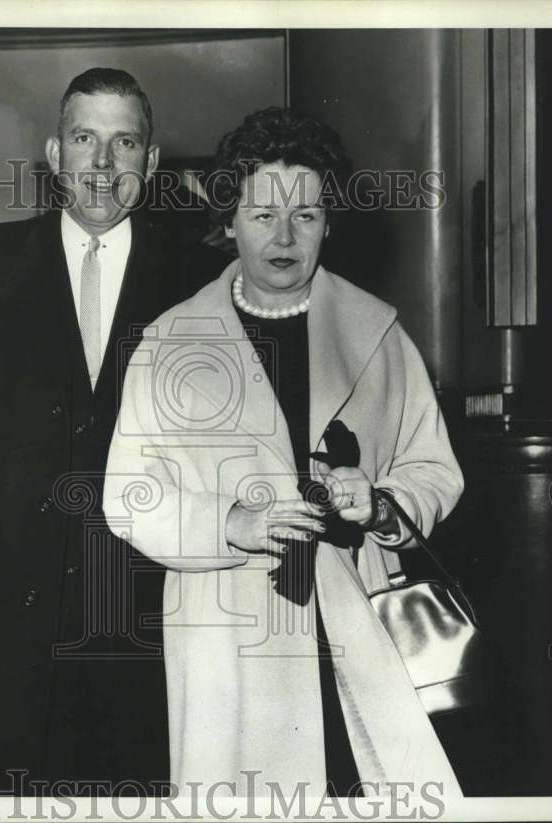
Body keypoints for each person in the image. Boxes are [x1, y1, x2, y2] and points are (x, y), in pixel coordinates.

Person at [103, 107, 465, 798]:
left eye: (306, 214)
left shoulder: (380, 333)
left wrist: (383, 503)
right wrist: (231, 523)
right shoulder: (171, 341)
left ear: (330, 222)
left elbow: (433, 469)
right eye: (263, 213)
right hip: (228, 634)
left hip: (355, 627)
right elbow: (129, 495)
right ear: (229, 221)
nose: (284, 235)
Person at [0, 68, 217, 794]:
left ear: (152, 161)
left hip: (149, 611)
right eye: (84, 139)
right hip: (4, 609)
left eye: (124, 142)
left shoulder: (200, 276)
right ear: (53, 152)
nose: (103, 165)